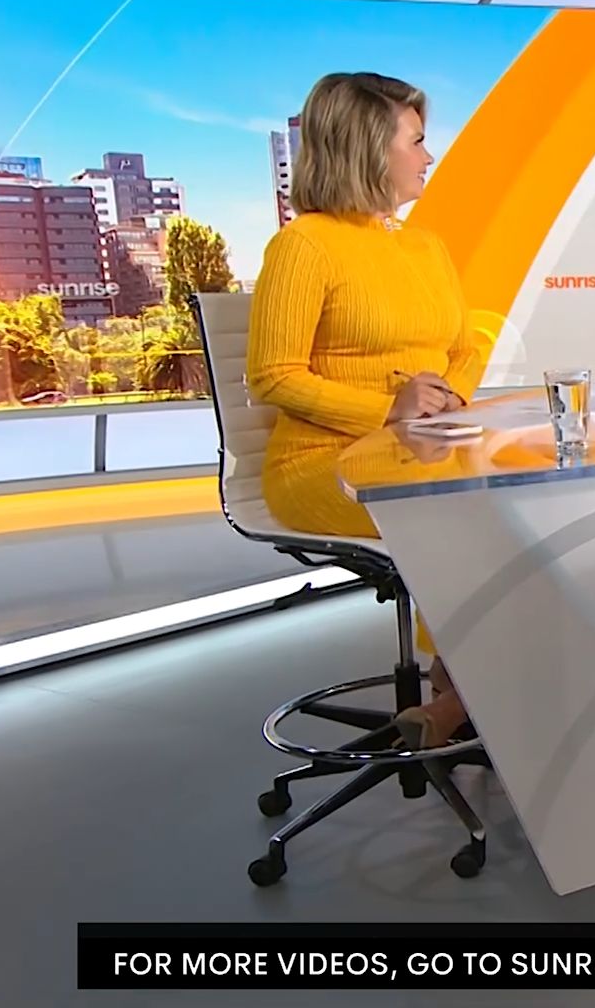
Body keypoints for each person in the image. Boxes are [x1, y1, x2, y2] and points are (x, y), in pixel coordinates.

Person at [247, 72, 481, 750]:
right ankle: (466, 699)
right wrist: (388, 410)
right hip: (319, 465)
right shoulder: (304, 245)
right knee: (459, 516)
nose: (428, 156)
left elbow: (465, 348)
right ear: (368, 148)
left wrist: (451, 395)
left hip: (421, 452)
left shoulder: (425, 246)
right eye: (416, 141)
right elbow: (272, 377)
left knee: (505, 504)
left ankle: (459, 692)